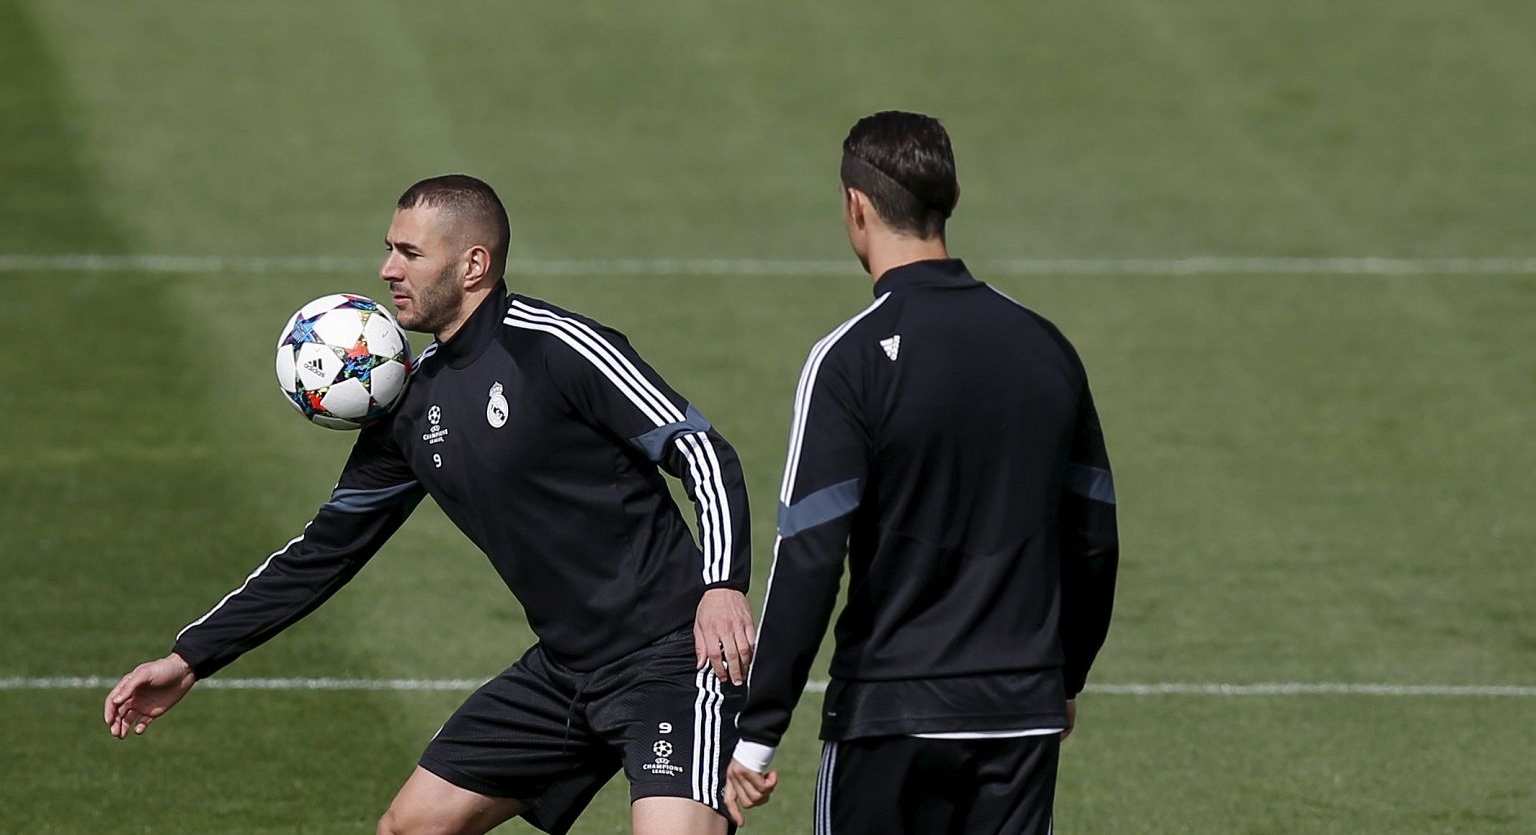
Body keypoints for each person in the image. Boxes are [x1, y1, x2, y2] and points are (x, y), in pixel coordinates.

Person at [104, 174, 755, 835]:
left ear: (473, 264)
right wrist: (191, 657)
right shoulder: (409, 406)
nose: (387, 270)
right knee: (411, 826)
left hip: (671, 659)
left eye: (409, 254)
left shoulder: (555, 347)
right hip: (565, 672)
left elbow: (701, 451)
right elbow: (324, 552)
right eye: (390, 249)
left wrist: (723, 587)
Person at [723, 112, 1119, 834]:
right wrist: (1065, 675)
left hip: (890, 712)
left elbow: (810, 553)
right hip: (1017, 711)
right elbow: (1093, 535)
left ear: (856, 206)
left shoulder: (848, 360)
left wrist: (757, 731)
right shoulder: (1045, 347)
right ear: (951, 198)